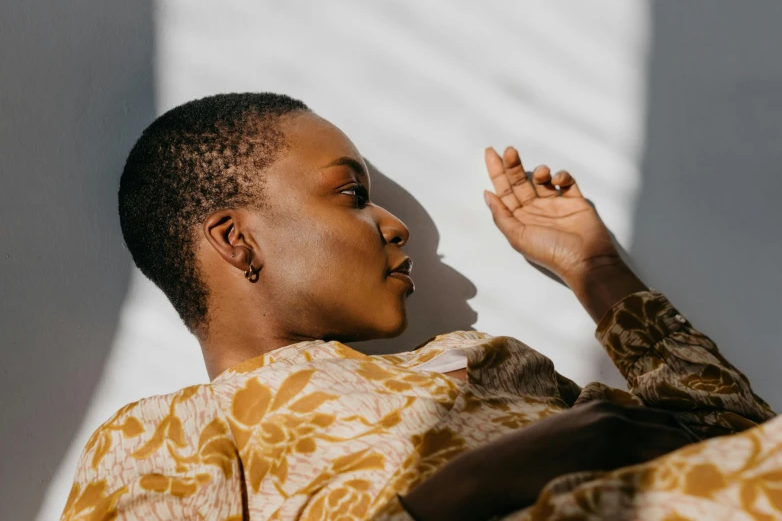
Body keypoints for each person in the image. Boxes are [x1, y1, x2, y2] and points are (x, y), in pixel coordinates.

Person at [60, 93, 773, 521]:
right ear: (234, 238)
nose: (393, 226)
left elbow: (739, 440)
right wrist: (479, 482)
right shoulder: (166, 433)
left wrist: (597, 269)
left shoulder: (481, 358)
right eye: (352, 195)